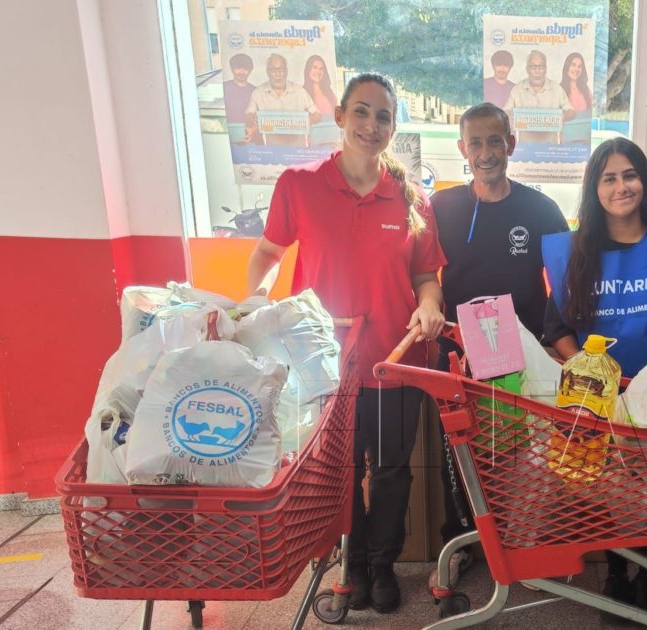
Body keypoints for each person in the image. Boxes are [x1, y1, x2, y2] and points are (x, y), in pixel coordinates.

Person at [246, 72, 446, 615]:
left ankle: (381, 566)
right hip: (319, 366)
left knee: (389, 469)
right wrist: (254, 304)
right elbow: (267, 253)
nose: (371, 125)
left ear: (393, 127)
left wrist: (429, 304)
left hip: (395, 360)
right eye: (361, 112)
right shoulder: (299, 184)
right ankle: (350, 564)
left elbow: (427, 274)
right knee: (336, 472)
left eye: (383, 116)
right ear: (339, 116)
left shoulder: (411, 198)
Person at [542, 137, 647, 621]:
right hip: (600, 401)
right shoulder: (574, 252)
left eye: (629, 174)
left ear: (646, 182)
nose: (620, 186)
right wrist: (597, 378)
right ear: (594, 189)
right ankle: (616, 571)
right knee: (609, 490)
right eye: (608, 178)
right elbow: (557, 331)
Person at [428, 102, 568, 589]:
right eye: (476, 143)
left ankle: (518, 537)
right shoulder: (441, 207)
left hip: (523, 353)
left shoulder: (541, 209)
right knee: (462, 451)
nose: (486, 153)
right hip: (459, 354)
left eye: (495, 141)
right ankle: (462, 539)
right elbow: (423, 276)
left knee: (520, 453)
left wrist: (554, 345)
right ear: (461, 148)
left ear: (511, 144)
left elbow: (564, 284)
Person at [245, 53, 322, 146]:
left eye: (281, 69)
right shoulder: (258, 93)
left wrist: (309, 120)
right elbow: (249, 114)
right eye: (273, 70)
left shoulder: (300, 91)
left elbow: (317, 115)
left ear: (286, 71)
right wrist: (253, 122)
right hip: (271, 151)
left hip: (299, 152)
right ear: (267, 72)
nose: (277, 73)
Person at [503, 50, 575, 145]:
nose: (537, 71)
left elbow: (571, 111)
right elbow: (505, 111)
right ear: (527, 69)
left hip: (551, 148)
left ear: (545, 69)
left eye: (540, 67)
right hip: (524, 148)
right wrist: (510, 116)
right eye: (533, 67)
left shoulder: (556, 88)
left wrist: (560, 117)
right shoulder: (517, 89)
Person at [559, 52, 593, 144]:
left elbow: (592, 115)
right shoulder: (559, 90)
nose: (576, 69)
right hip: (565, 142)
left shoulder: (586, 90)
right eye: (573, 65)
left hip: (585, 142)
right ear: (567, 67)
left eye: (580, 66)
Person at [223, 53, 255, 126]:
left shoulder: (255, 91)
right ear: (232, 69)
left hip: (250, 133)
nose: (241, 72)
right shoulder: (224, 87)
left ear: (250, 71)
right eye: (237, 68)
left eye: (245, 69)